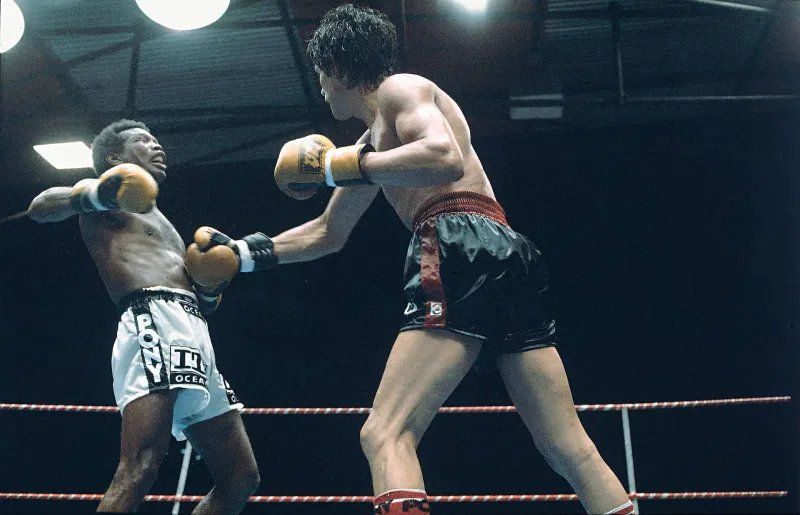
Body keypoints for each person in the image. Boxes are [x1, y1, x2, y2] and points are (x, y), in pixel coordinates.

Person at [185, 5, 633, 514]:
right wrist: (241, 255)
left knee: (385, 432)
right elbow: (326, 234)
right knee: (565, 445)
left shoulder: (400, 88)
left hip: (456, 239)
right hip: (505, 253)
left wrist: (338, 167)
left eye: (321, 76)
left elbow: (443, 156)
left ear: (336, 69)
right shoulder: (369, 144)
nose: (322, 89)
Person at [26, 119, 259, 514]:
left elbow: (199, 298)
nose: (157, 146)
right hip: (152, 320)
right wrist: (98, 192)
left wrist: (210, 288)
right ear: (114, 158)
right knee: (141, 465)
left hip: (193, 329)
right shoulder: (104, 201)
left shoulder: (159, 218)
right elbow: (40, 207)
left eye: (156, 139)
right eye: (142, 141)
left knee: (240, 477)